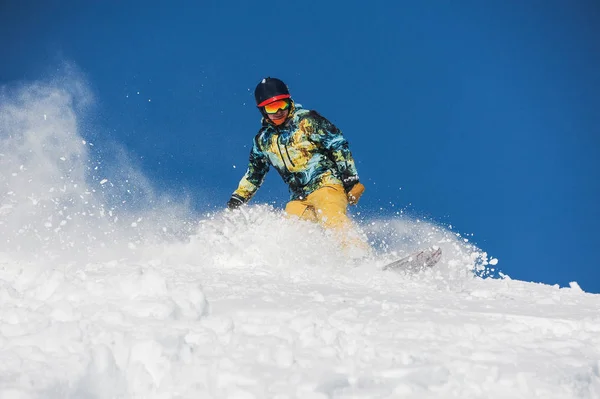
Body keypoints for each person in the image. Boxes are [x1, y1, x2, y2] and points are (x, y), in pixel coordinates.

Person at [227, 77, 367, 251]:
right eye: (272, 107)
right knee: (289, 233)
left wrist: (350, 178)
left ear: (289, 101)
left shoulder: (307, 121)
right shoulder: (263, 140)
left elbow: (337, 143)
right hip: (299, 198)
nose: (279, 112)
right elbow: (255, 173)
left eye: (282, 105)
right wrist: (238, 198)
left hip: (326, 185)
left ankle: (358, 255)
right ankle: (303, 270)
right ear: (263, 111)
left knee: (332, 218)